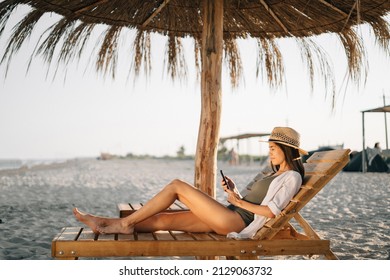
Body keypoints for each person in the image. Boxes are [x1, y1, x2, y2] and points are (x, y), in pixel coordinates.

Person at [73, 127, 307, 239]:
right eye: (269, 149)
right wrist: (235, 193)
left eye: (273, 149)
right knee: (162, 220)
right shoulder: (275, 174)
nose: (270, 154)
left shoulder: (291, 177)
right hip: (231, 213)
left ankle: (124, 224)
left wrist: (238, 203)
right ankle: (104, 223)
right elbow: (256, 202)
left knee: (177, 186)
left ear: (286, 150)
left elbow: (270, 212)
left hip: (234, 222)